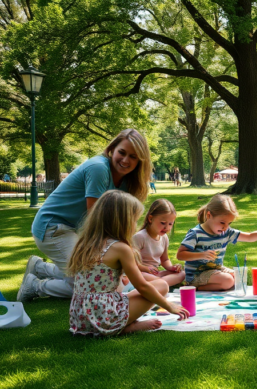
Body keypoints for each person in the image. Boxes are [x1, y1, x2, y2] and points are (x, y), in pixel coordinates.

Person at [18, 129, 152, 301]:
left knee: (100, 274)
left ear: (140, 160)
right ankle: (34, 286)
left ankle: (39, 267)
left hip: (74, 230)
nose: (125, 160)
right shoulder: (98, 168)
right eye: (122, 152)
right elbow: (95, 220)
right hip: (53, 228)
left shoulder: (129, 181)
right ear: (112, 149)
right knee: (90, 283)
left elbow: (122, 223)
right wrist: (119, 259)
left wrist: (128, 260)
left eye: (133, 156)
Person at [67, 191, 189, 336]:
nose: (135, 225)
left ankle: (124, 324)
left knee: (141, 288)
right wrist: (169, 306)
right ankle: (124, 327)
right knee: (161, 286)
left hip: (80, 317)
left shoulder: (85, 243)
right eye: (134, 220)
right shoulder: (121, 248)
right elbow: (142, 287)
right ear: (123, 221)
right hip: (103, 317)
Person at [176, 194, 257, 290]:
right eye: (222, 222)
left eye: (229, 223)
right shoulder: (196, 233)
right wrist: (201, 255)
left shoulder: (226, 232)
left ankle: (214, 286)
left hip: (215, 270)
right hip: (197, 274)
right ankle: (193, 288)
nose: (225, 227)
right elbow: (180, 255)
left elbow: (249, 237)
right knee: (228, 281)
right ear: (209, 216)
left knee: (240, 277)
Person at [132, 199, 185, 286]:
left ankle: (158, 284)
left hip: (156, 274)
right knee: (149, 278)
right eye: (163, 223)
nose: (167, 227)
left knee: (182, 274)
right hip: (141, 273)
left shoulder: (164, 237)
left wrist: (171, 267)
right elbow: (131, 264)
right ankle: (160, 284)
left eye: (170, 224)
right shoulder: (140, 237)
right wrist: (145, 268)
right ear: (150, 218)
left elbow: (165, 260)